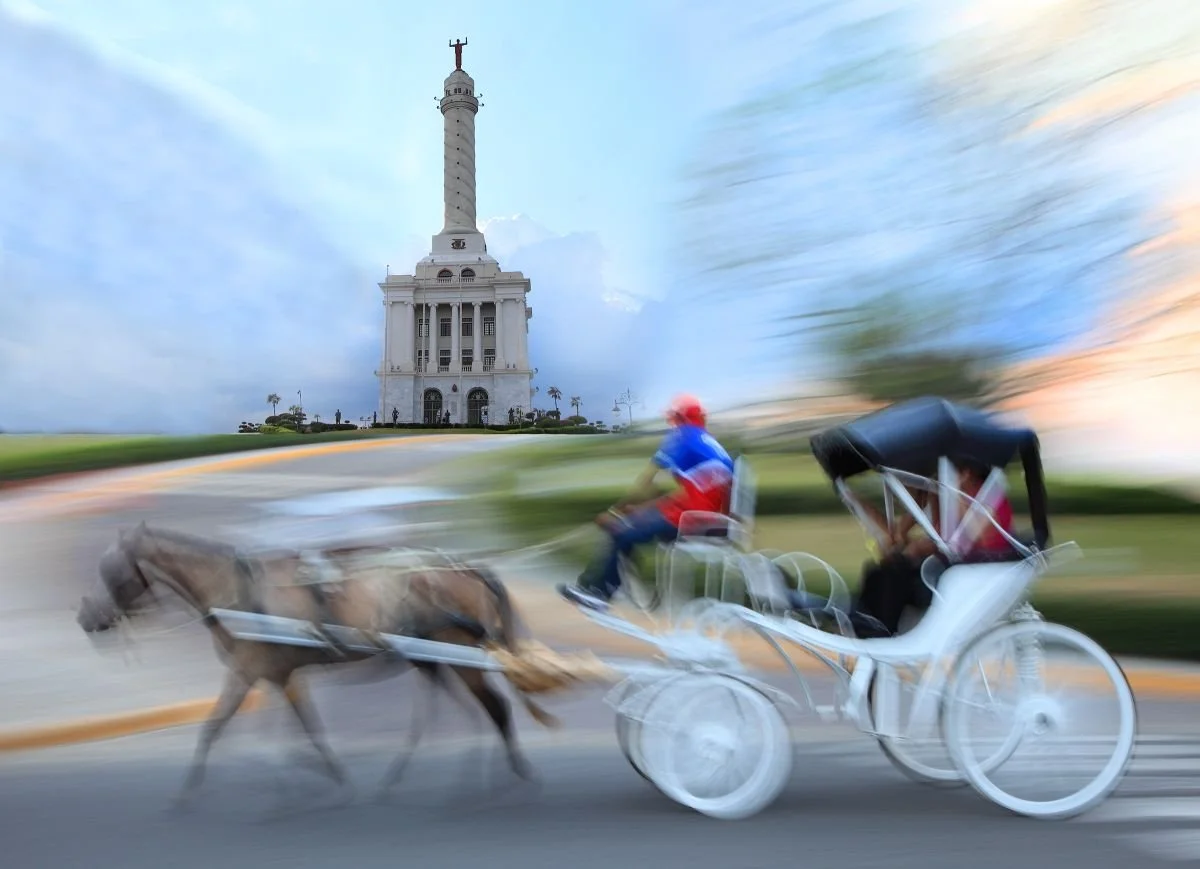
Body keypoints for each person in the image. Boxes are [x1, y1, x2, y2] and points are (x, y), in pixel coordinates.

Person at [558, 394, 735, 612]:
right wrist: (642, 509)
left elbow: (647, 482)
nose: (672, 424)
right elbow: (703, 494)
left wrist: (614, 511)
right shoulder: (713, 445)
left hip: (690, 520)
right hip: (709, 521)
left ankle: (598, 593)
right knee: (631, 525)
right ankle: (601, 585)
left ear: (679, 419)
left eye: (674, 419)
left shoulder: (681, 438)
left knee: (620, 531)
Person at [849, 457, 1015, 637]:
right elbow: (933, 537)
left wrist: (956, 492)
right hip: (951, 565)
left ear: (967, 472)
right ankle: (864, 624)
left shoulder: (987, 497)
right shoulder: (943, 498)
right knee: (877, 571)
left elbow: (975, 536)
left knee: (897, 574)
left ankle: (882, 631)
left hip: (974, 569)